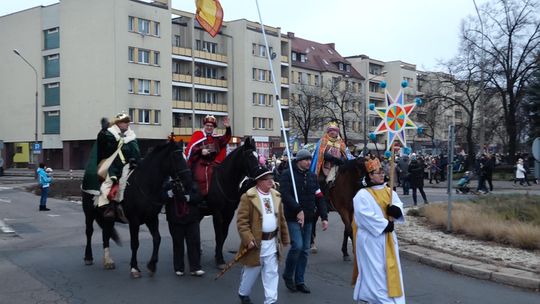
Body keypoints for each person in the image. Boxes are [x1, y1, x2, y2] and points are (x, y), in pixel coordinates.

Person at [353, 157, 405, 303]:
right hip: (371, 239)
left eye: (383, 172)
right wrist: (384, 224)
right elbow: (364, 216)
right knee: (375, 272)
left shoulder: (390, 192)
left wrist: (396, 211)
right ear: (370, 175)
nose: (382, 175)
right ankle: (378, 299)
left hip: (388, 239)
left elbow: (399, 207)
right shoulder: (362, 195)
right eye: (378, 172)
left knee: (389, 270)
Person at [236, 167, 290, 304]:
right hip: (256, 243)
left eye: (272, 178)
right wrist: (248, 239)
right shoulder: (248, 197)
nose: (271, 181)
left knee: (271, 273)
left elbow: (281, 218)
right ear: (259, 181)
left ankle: (270, 301)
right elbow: (242, 222)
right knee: (252, 272)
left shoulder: (276, 195)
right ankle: (243, 293)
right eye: (267, 179)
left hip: (272, 242)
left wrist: (285, 237)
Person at [279, 149, 329, 294]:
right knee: (298, 246)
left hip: (309, 218)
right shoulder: (288, 175)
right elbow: (285, 195)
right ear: (298, 161)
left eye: (309, 160)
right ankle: (288, 275)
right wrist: (297, 209)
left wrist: (324, 217)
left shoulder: (312, 177)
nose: (308, 162)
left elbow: (319, 197)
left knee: (305, 250)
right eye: (306, 160)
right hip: (293, 217)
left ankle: (300, 280)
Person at [96, 113, 140, 221]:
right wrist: (103, 131)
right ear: (118, 124)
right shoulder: (110, 134)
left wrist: (135, 159)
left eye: (127, 122)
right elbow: (102, 144)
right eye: (123, 122)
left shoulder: (131, 137)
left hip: (128, 165)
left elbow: (136, 152)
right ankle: (110, 206)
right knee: (108, 183)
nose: (126, 124)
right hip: (112, 165)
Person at [164, 179, 205, 277]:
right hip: (175, 218)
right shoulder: (168, 185)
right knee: (178, 243)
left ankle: (195, 268)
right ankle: (179, 268)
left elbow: (199, 197)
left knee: (194, 242)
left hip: (191, 218)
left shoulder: (192, 183)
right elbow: (161, 198)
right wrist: (169, 194)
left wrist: (189, 198)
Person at [185, 115, 231, 197]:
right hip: (199, 162)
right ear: (204, 126)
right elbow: (191, 149)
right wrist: (201, 151)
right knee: (201, 176)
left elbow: (225, 139)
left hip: (212, 163)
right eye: (207, 125)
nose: (209, 127)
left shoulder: (216, 138)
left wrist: (228, 128)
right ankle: (199, 196)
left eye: (211, 126)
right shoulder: (197, 135)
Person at [310, 121, 352, 190]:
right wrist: (330, 158)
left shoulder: (341, 142)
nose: (332, 132)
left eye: (334, 130)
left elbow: (346, 155)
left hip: (338, 166)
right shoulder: (323, 141)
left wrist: (342, 159)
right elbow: (320, 154)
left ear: (337, 132)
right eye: (330, 130)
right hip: (325, 166)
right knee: (321, 180)